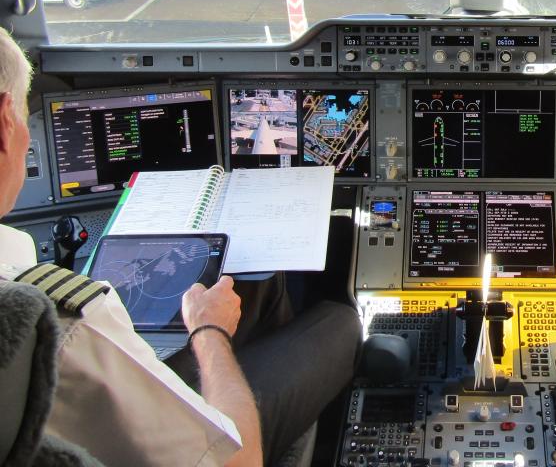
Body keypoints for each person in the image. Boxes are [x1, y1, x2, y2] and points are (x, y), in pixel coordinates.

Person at [0, 26, 361, 466]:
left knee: (259, 284)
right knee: (342, 321)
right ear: (5, 123)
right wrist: (209, 332)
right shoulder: (63, 321)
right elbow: (235, 461)